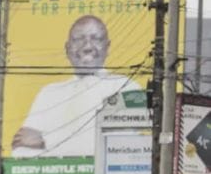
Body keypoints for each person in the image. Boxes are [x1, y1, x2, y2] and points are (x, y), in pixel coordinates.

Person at [12, 15, 141, 157]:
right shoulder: (49, 93)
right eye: (79, 39)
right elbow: (21, 151)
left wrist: (46, 143)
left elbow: (122, 147)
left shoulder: (127, 87)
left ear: (107, 47)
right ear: (67, 49)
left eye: (96, 39)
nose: (87, 47)